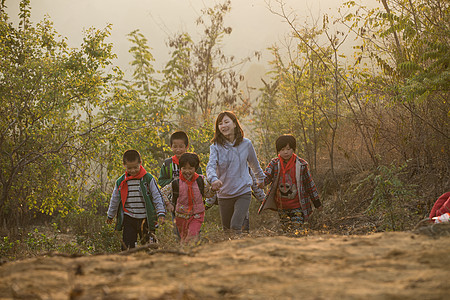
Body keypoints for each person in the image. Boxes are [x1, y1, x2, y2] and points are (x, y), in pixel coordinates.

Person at [206, 111, 265, 233]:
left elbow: (254, 164)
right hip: (224, 194)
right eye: (220, 124)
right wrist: (213, 179)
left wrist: (261, 179)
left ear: (234, 124)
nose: (223, 126)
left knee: (235, 226)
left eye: (226, 122)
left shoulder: (246, 144)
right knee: (227, 230)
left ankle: (239, 250)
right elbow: (210, 166)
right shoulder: (215, 147)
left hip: (243, 191)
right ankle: (232, 251)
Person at [259, 134, 322, 232]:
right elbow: (267, 177)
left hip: (298, 205)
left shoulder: (301, 165)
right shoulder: (274, 164)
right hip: (282, 206)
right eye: (282, 149)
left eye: (288, 149)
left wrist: (317, 202)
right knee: (286, 229)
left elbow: (309, 184)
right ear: (278, 151)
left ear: (293, 149)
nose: (286, 152)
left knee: (297, 229)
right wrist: (260, 182)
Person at [107, 150, 166, 250]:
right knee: (128, 245)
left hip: (146, 218)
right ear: (124, 165)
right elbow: (115, 199)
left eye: (135, 167)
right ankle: (129, 263)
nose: (133, 170)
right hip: (129, 217)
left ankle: (151, 263)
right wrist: (110, 215)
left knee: (149, 245)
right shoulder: (121, 181)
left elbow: (157, 196)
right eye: (129, 168)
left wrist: (161, 212)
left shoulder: (148, 179)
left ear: (140, 163)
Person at [161, 152, 215, 243]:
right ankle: (188, 254)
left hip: (197, 215)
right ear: (180, 168)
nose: (187, 171)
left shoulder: (201, 180)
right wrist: (168, 204)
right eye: (184, 168)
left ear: (195, 168)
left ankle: (190, 251)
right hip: (180, 216)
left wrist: (213, 190)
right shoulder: (176, 183)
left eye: (190, 168)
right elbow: (162, 192)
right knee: (183, 238)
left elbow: (207, 194)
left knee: (192, 235)